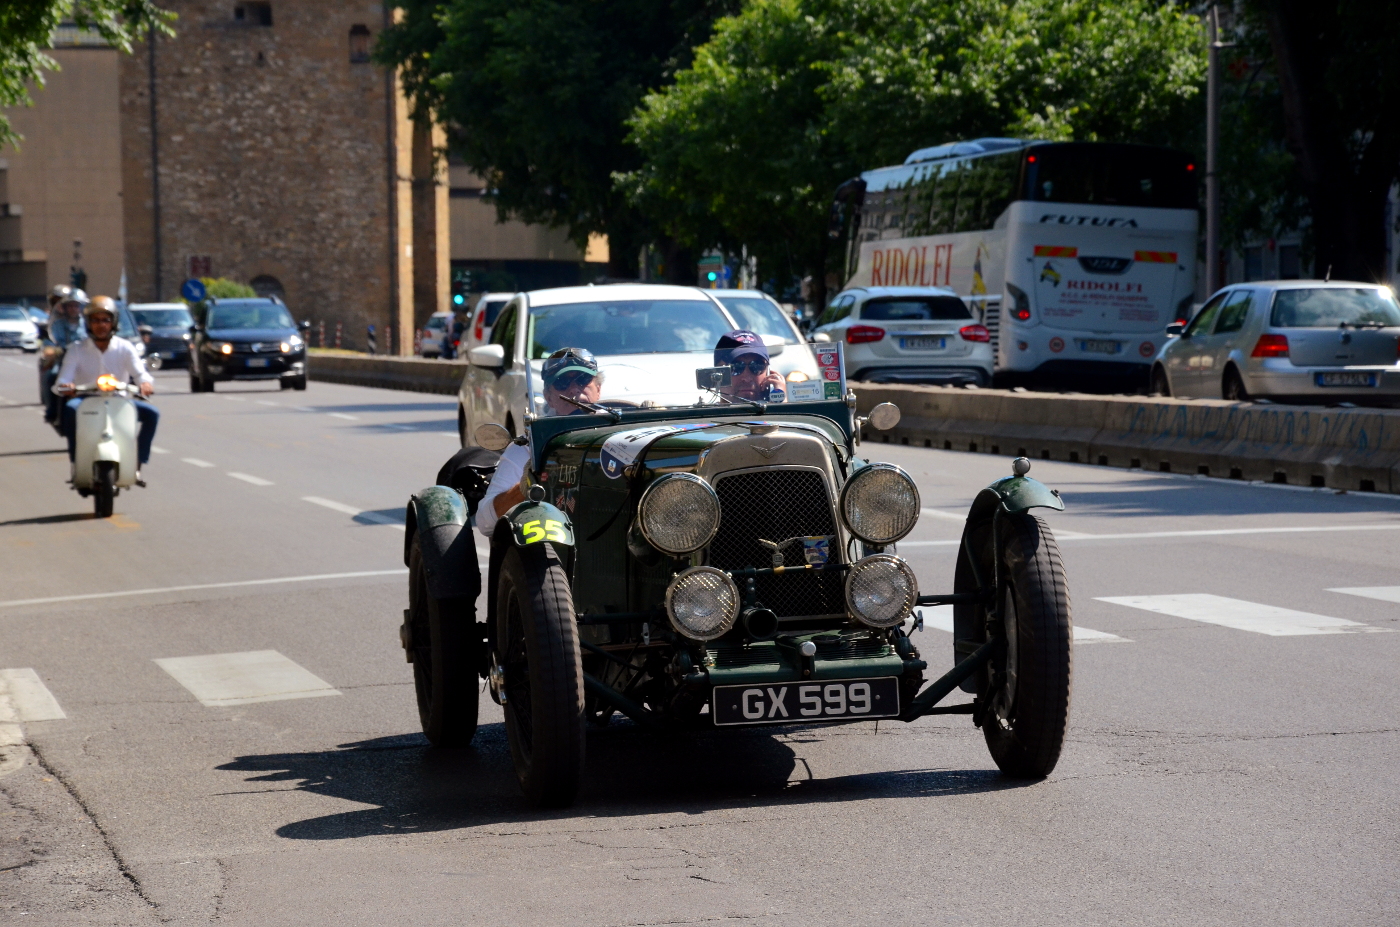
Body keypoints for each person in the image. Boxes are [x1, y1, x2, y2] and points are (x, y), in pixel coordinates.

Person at [476, 347, 603, 536]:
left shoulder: (620, 437)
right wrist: (526, 486)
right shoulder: (530, 445)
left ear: (598, 389)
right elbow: (484, 522)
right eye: (562, 382)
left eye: (583, 380)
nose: (574, 389)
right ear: (548, 397)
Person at [56, 296, 160, 476]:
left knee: (152, 414)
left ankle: (138, 461)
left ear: (114, 323)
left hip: (118, 400)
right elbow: (62, 379)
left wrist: (145, 384)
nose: (101, 325)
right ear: (88, 323)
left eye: (106, 320)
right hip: (85, 401)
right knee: (70, 411)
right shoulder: (76, 349)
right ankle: (76, 462)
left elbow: (140, 373)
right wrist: (67, 385)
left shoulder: (125, 347)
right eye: (95, 320)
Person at [43, 288, 88, 426]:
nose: (73, 309)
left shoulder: (88, 324)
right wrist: (53, 349)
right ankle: (52, 411)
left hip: (85, 358)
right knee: (52, 375)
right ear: (65, 307)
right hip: (64, 358)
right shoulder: (58, 324)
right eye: (70, 305)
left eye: (76, 305)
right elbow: (52, 341)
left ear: (81, 307)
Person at [713, 330, 785, 402]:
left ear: (768, 373)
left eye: (757, 366)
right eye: (735, 367)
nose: (747, 378)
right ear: (716, 374)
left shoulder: (773, 410)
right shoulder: (705, 413)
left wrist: (780, 401)